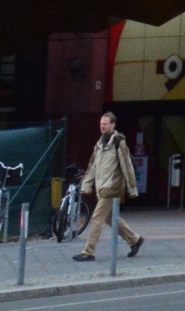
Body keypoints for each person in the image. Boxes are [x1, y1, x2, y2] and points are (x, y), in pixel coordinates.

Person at [74, 111, 144, 260]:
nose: (102, 126)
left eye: (105, 124)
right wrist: (86, 185)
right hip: (101, 187)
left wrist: (132, 188)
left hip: (112, 187)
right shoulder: (99, 145)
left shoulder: (119, 143)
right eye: (101, 124)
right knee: (110, 218)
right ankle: (135, 240)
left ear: (113, 125)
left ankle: (88, 252)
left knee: (97, 218)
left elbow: (126, 166)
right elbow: (92, 166)